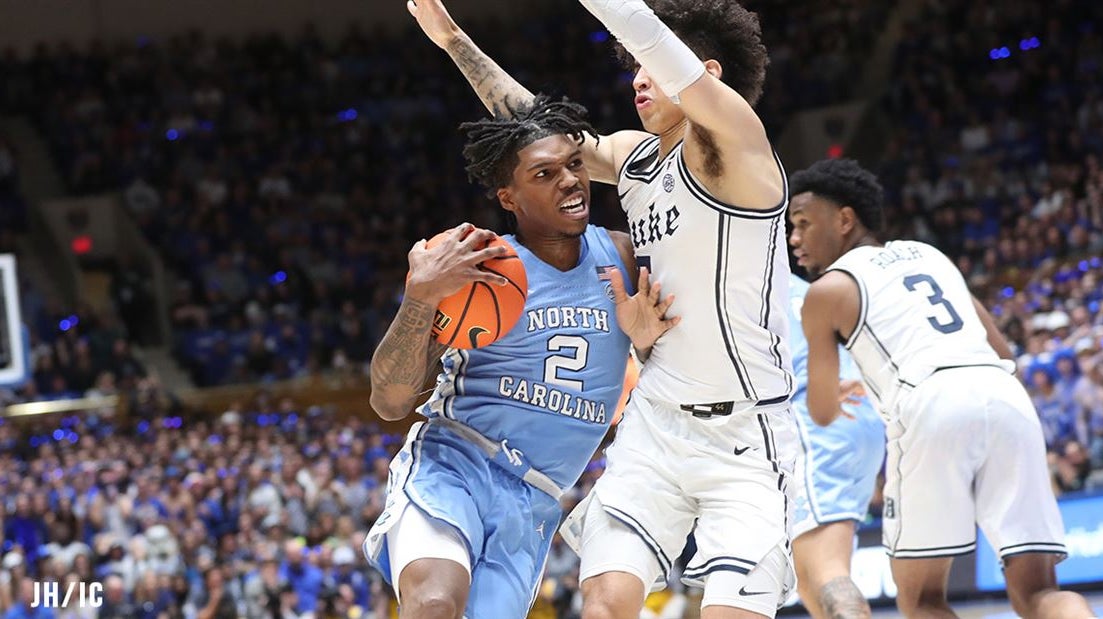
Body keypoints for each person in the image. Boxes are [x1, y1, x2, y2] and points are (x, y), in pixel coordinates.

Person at [407, 0, 797, 617]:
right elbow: (535, 129)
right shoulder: (639, 159)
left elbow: (646, 33)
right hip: (657, 423)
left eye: (649, 66)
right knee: (604, 604)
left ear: (706, 76)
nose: (637, 78)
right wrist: (453, 39)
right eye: (632, 68)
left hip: (746, 432)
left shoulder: (740, 150)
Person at [363, 96, 678, 619]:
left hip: (535, 499)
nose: (570, 181)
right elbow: (389, 402)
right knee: (435, 604)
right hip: (456, 464)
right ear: (509, 197)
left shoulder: (623, 256)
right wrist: (420, 297)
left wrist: (644, 344)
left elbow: (664, 352)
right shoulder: (482, 267)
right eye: (545, 174)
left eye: (574, 165)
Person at [788, 158, 1095, 619]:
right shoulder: (929, 255)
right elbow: (1001, 351)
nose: (794, 238)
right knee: (1039, 592)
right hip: (1002, 393)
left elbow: (823, 412)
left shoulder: (826, 291)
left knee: (922, 600)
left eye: (803, 223)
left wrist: (838, 391)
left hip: (929, 403)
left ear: (845, 219)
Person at [783, 272, 885, 619]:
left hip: (817, 419)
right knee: (807, 577)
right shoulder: (805, 288)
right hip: (861, 412)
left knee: (827, 569)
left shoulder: (745, 285)